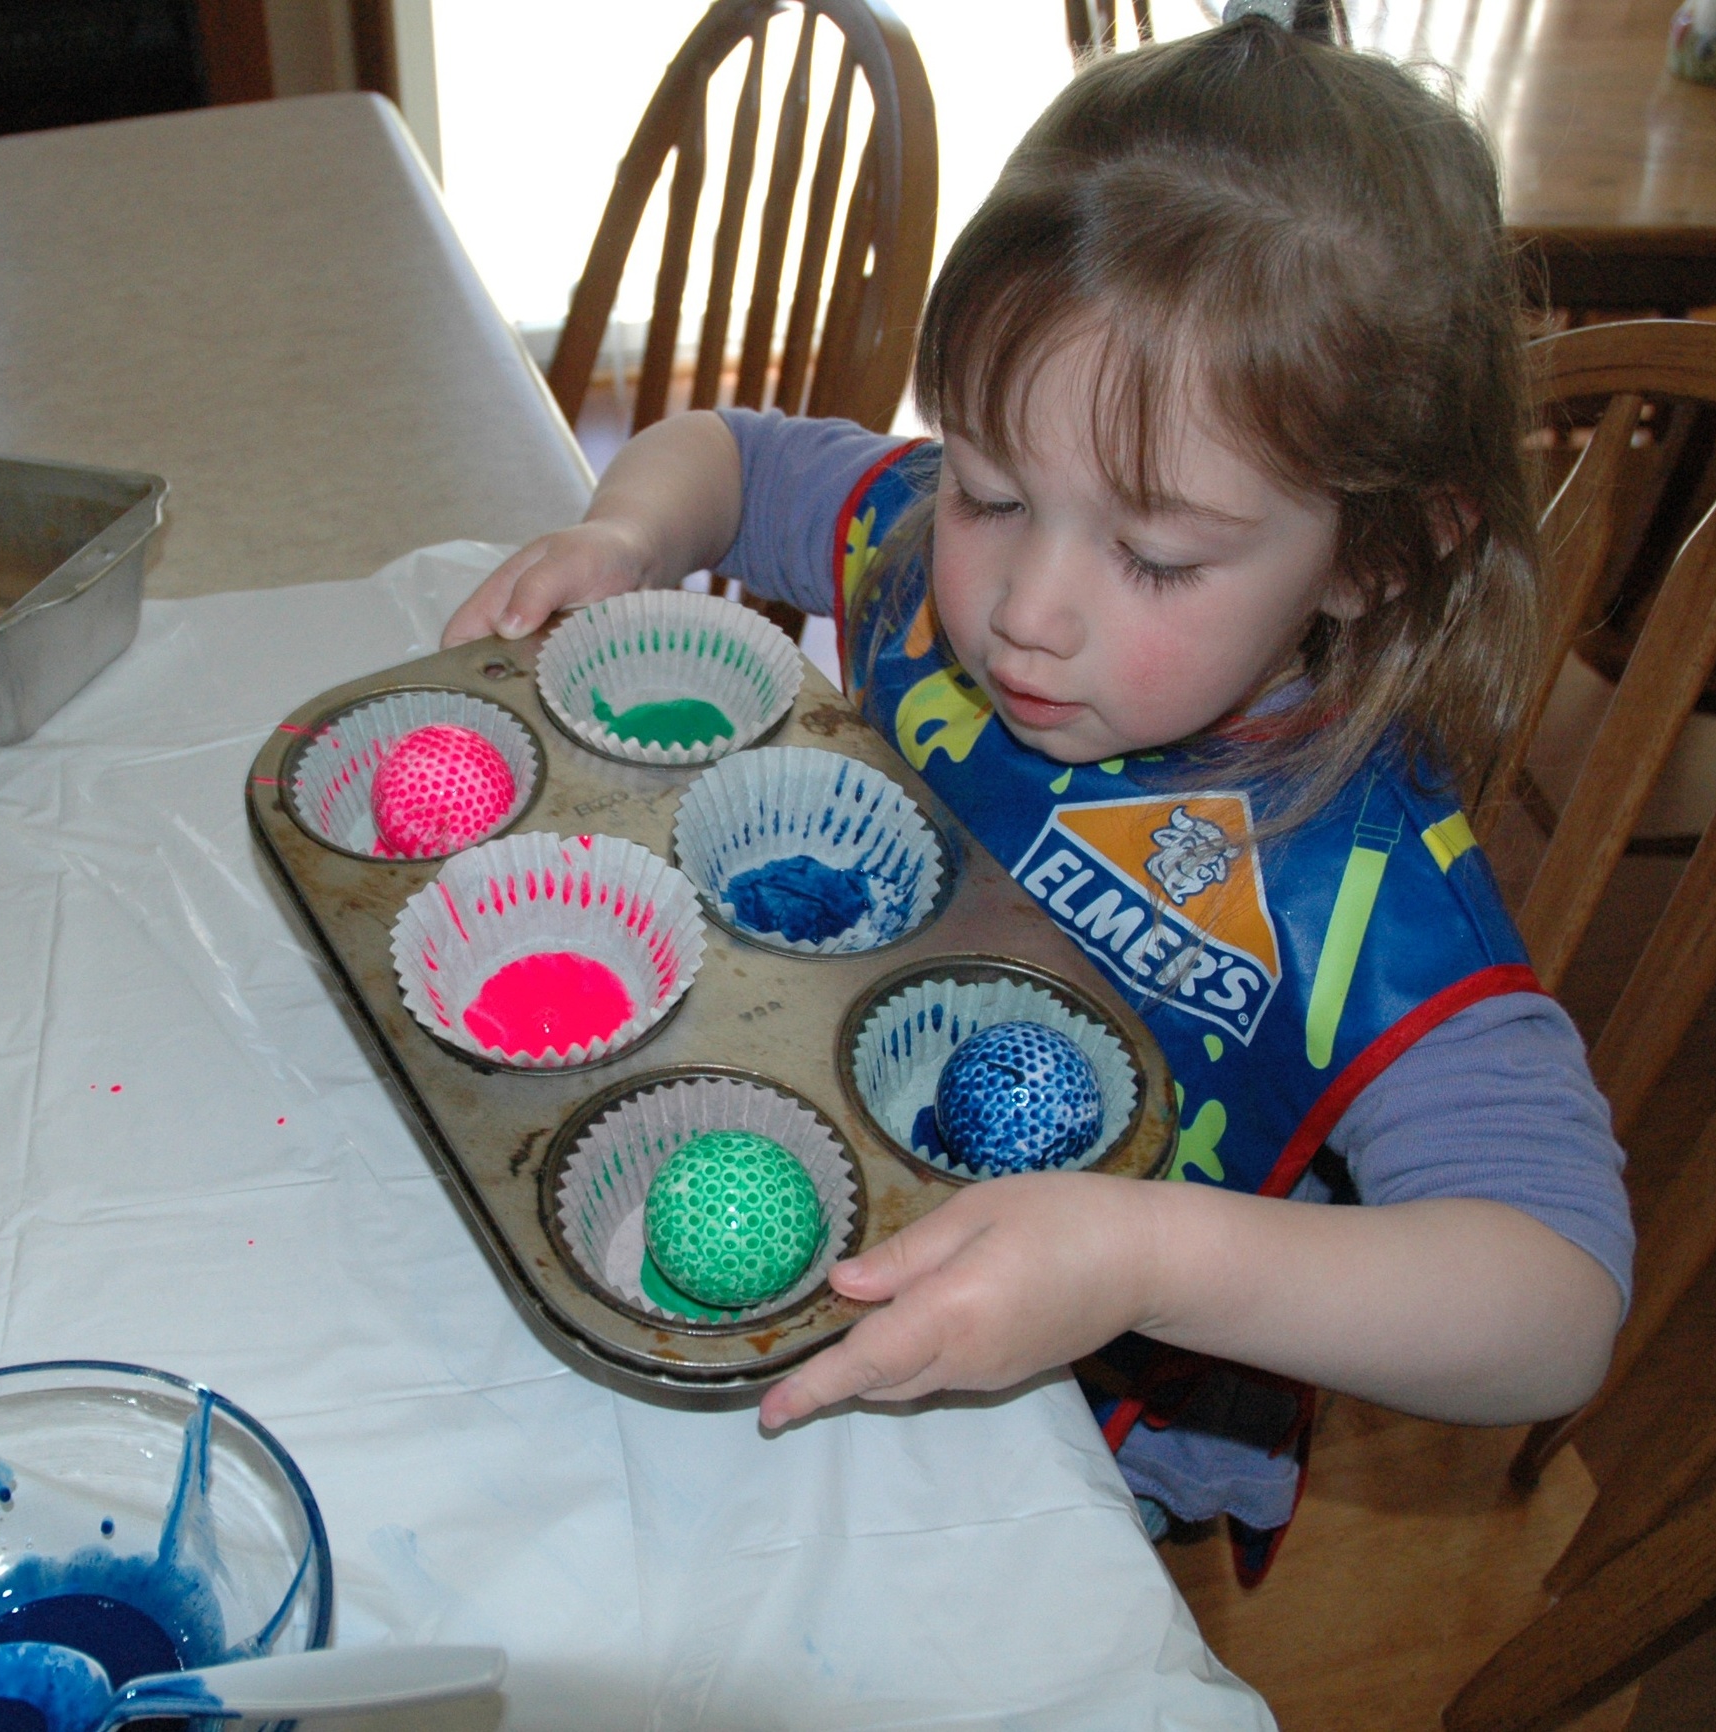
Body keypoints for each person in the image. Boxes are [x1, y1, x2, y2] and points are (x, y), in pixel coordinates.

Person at [442, 12, 1632, 1577]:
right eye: (993, 487)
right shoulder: (927, 550)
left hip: (1073, 1452)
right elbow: (725, 451)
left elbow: (1555, 1302)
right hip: (816, 1179)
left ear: (1379, 551)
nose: (1025, 609)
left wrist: (1141, 1256)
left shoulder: (1360, 892)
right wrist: (621, 538)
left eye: (1154, 555)